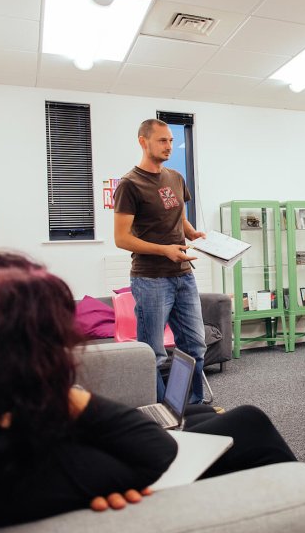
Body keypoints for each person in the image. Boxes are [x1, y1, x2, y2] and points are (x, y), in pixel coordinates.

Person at [0, 250, 305, 533]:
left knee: (199, 413)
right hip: (137, 480)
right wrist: (54, 392)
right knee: (248, 422)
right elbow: (151, 453)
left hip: (88, 458)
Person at [114, 119, 206, 403]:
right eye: (162, 141)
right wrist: (164, 249)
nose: (169, 146)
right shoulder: (130, 184)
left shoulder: (176, 177)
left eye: (170, 140)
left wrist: (193, 233)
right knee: (153, 353)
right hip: (150, 279)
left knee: (195, 347)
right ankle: (163, 412)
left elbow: (178, 214)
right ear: (143, 141)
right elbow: (122, 238)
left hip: (183, 275)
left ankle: (188, 407)